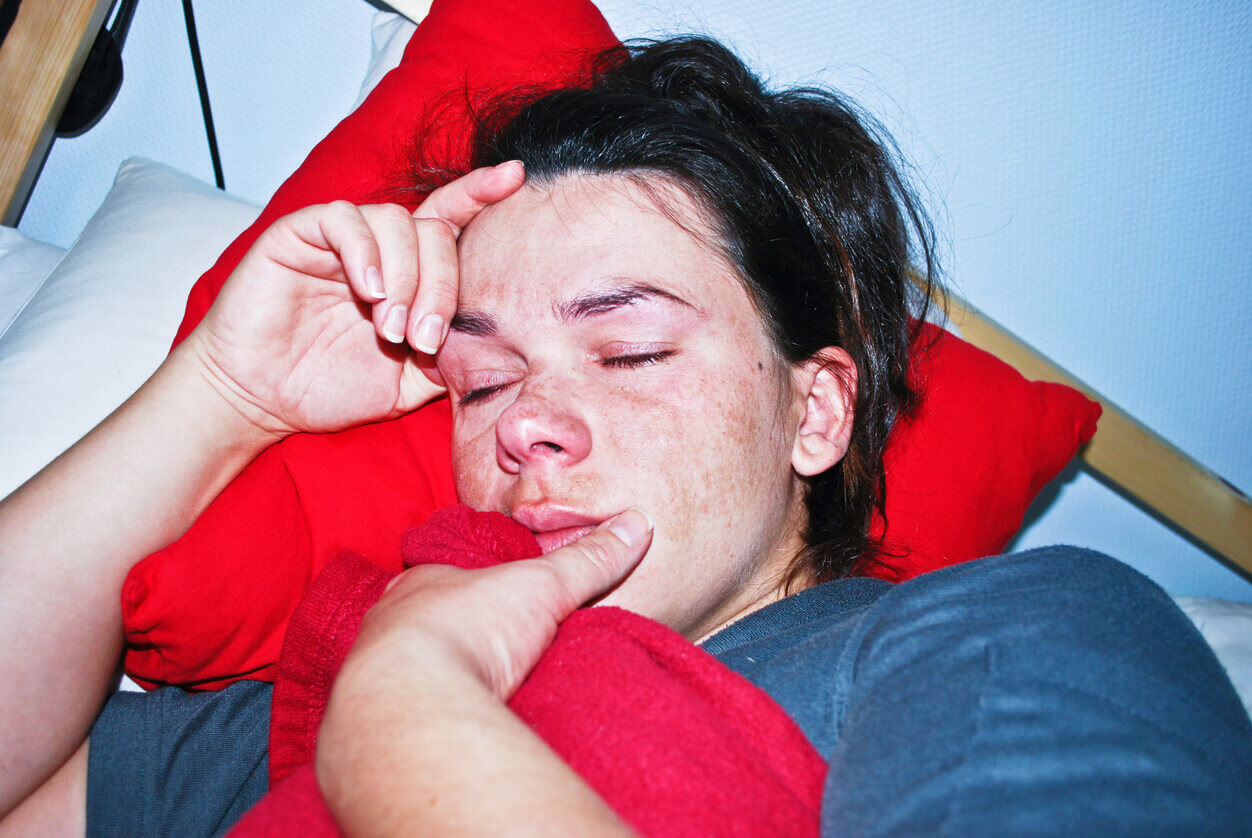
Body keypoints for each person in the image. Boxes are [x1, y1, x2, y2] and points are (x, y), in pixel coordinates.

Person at [1, 36, 1249, 835]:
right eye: (481, 380)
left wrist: (406, 717)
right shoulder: (329, 682)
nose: (527, 426)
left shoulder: (1005, 640)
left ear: (813, 412)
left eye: (632, 351)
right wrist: (226, 395)